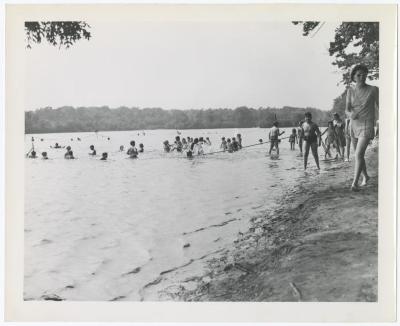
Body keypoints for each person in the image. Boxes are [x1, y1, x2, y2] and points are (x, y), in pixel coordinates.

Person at [346, 64, 379, 191]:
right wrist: (350, 114)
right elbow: (347, 110)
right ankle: (366, 176)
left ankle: (354, 183)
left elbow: (383, 106)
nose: (362, 76)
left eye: (364, 74)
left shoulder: (374, 89)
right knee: (358, 154)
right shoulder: (350, 91)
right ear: (353, 77)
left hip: (367, 124)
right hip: (353, 125)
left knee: (359, 154)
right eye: (358, 74)